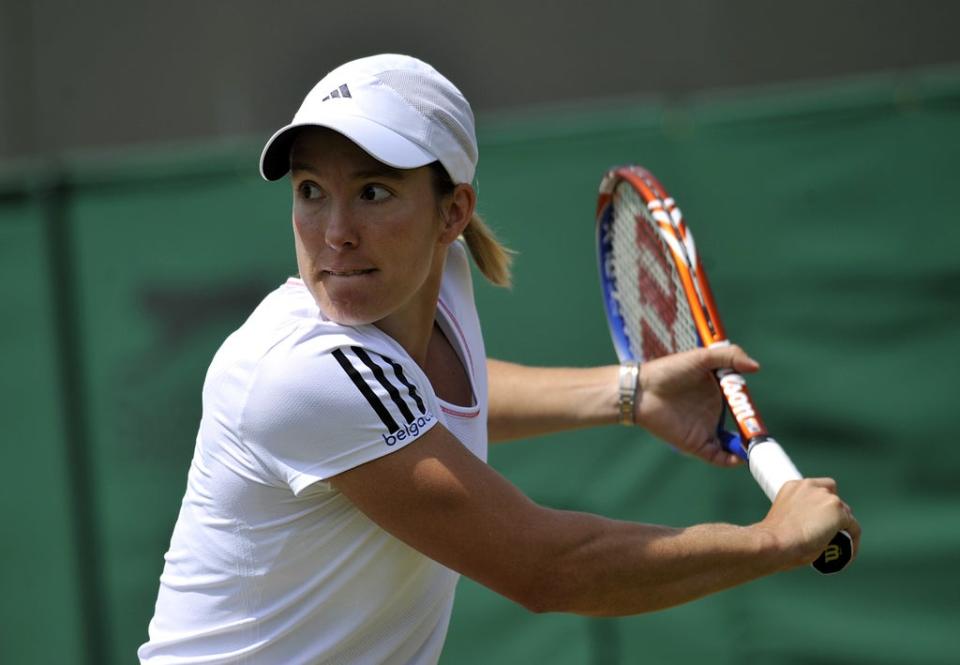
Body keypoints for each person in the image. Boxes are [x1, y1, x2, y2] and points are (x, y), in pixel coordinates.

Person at [138, 53, 860, 664]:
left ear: (452, 213)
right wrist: (774, 540)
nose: (335, 233)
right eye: (310, 191)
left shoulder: (433, 288)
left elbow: (433, 403)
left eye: (373, 191)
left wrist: (630, 392)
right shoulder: (301, 372)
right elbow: (548, 567)